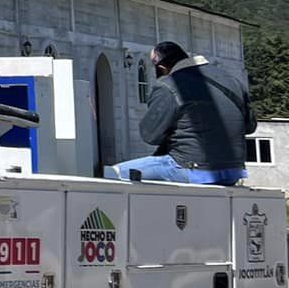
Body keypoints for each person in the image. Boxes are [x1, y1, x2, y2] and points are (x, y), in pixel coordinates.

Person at [105, 41, 254, 185]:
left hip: (191, 168)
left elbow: (150, 136)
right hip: (234, 170)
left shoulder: (169, 85)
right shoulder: (232, 80)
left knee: (113, 173)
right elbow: (250, 126)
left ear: (162, 67)